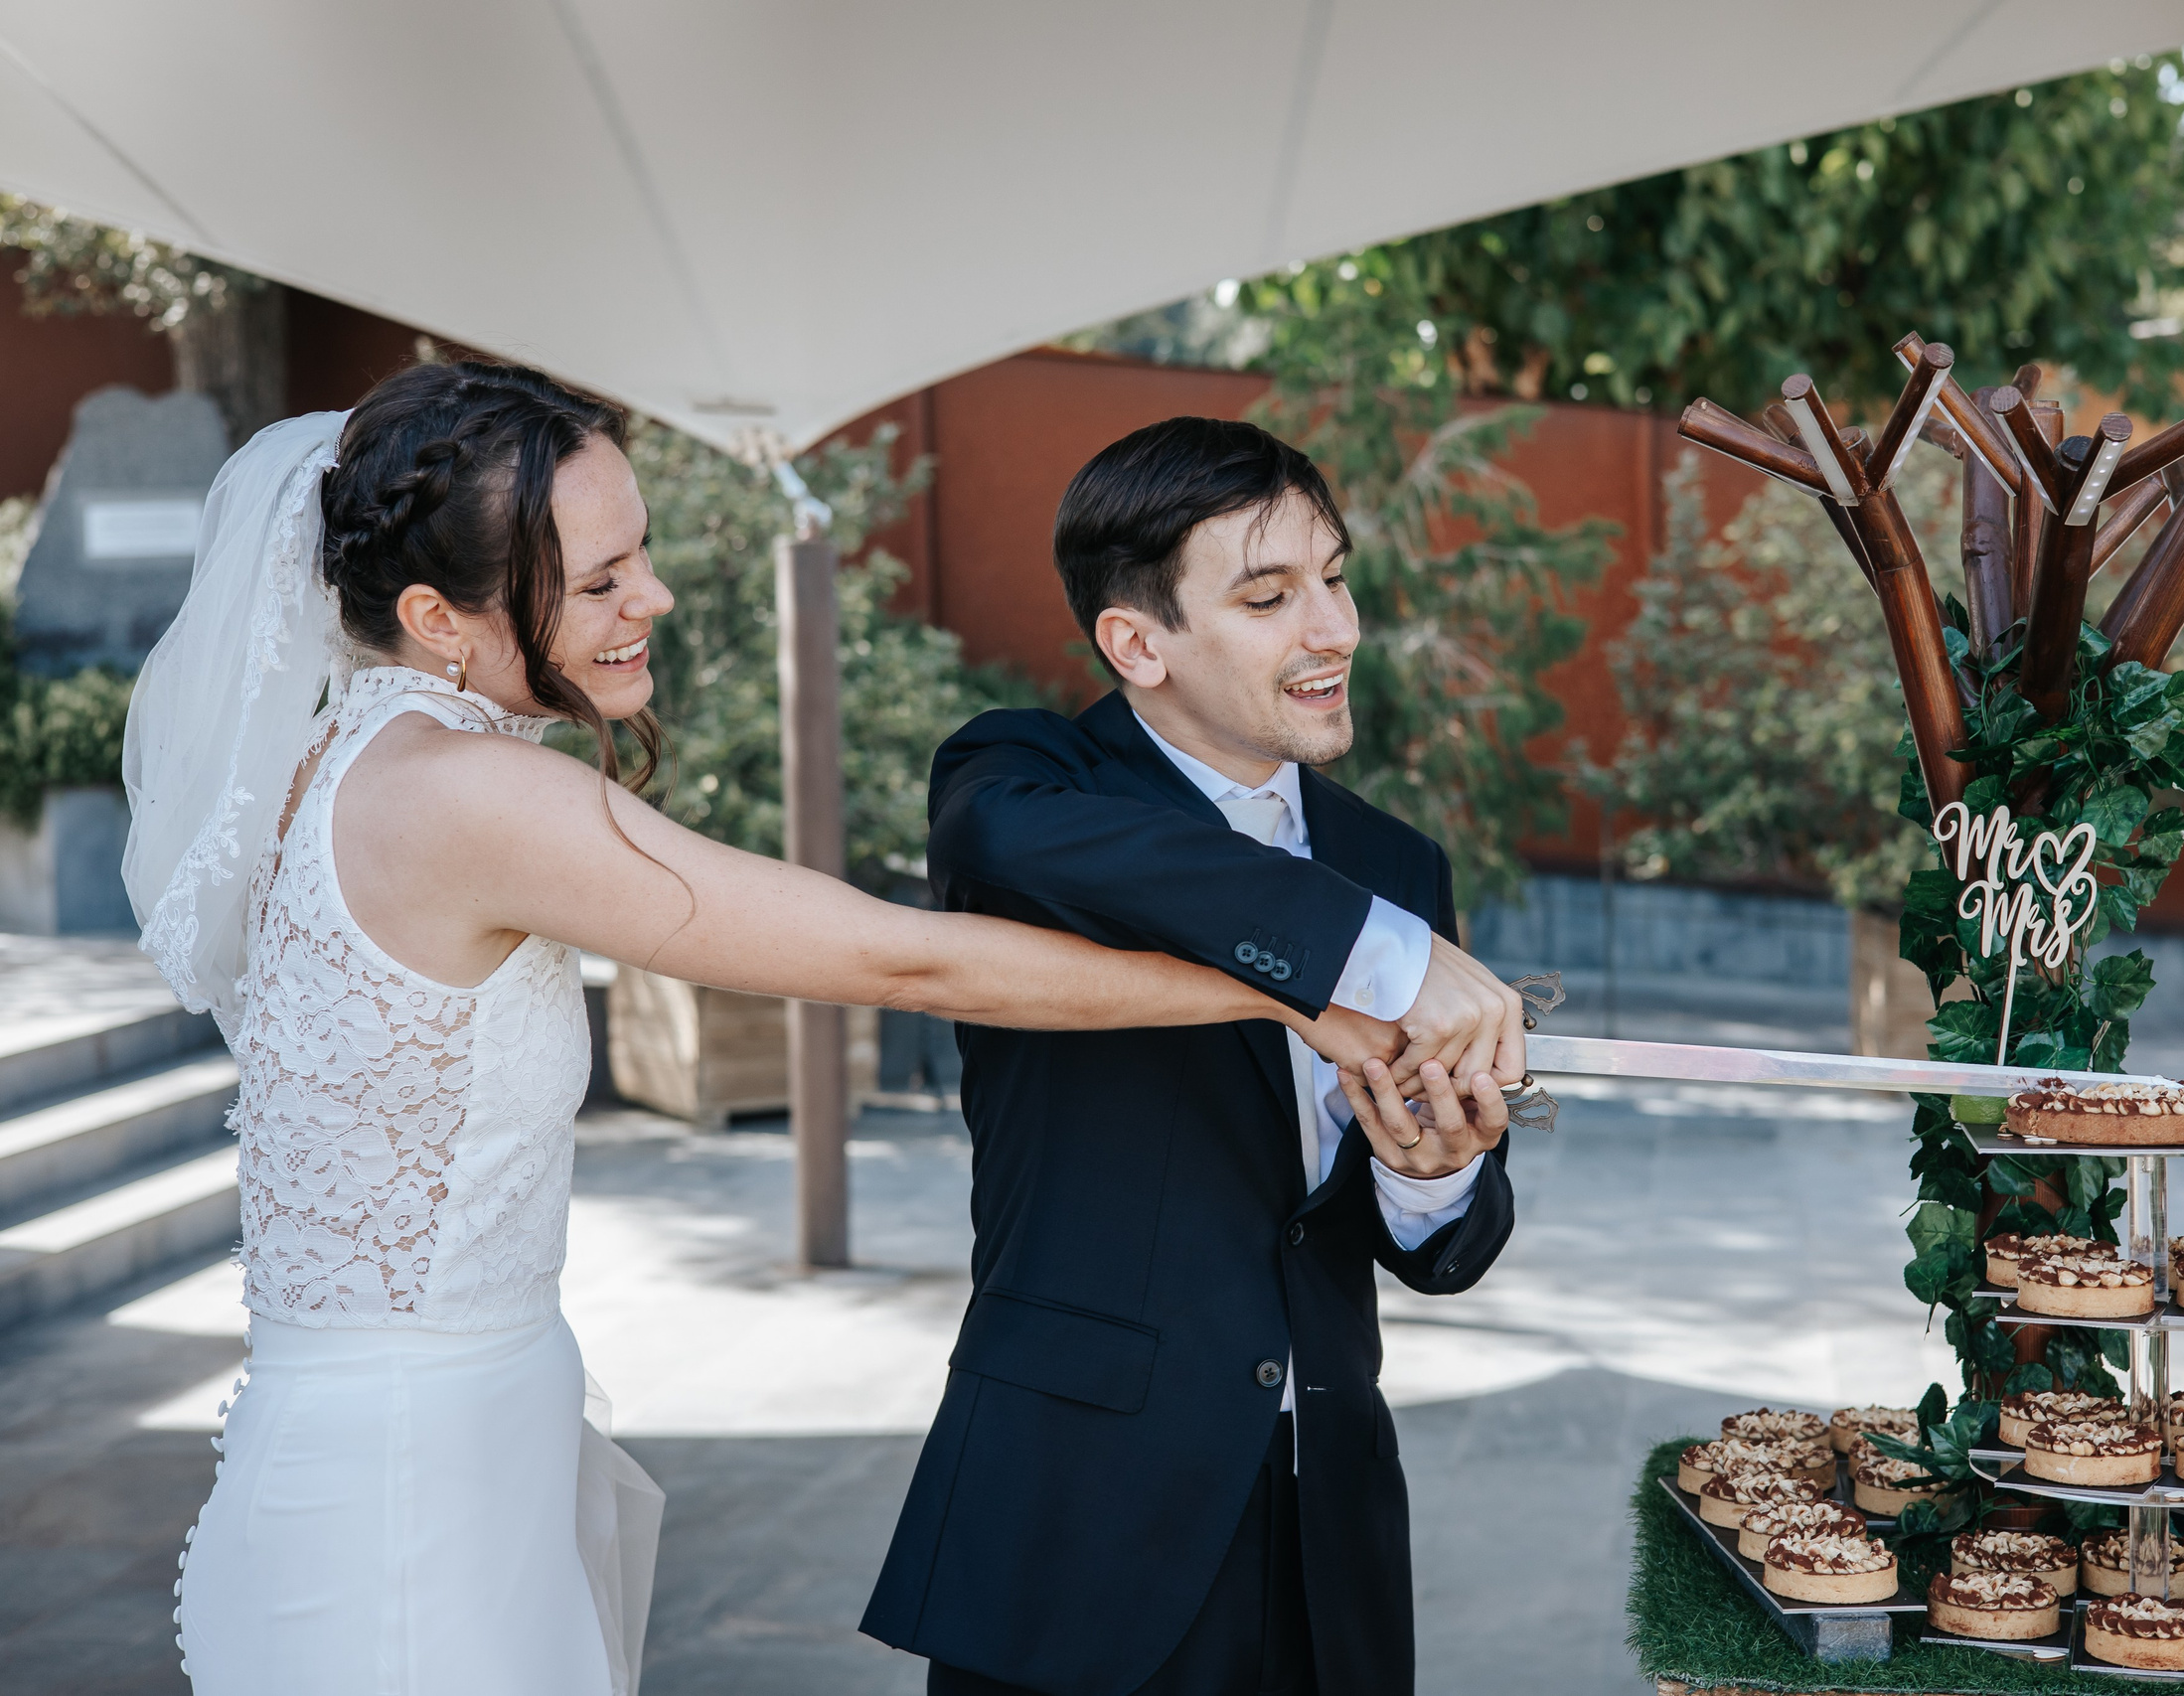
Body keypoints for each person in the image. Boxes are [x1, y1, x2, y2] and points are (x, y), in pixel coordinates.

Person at [125, 365, 1491, 1696]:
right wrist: (1307, 988)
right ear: (436, 614)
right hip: (410, 1478)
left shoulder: (352, 757)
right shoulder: (467, 794)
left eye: (638, 555)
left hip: (427, 1423)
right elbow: (899, 954)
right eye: (600, 582)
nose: (650, 597)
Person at [861, 416, 1529, 1696]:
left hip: (1326, 1532)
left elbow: (1440, 1246)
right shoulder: (1023, 786)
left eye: (1333, 577)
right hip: (1079, 1515)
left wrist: (1432, 1171)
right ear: (1137, 643)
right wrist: (1373, 956)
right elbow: (1043, 852)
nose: (1331, 629)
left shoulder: (1394, 865)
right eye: (1269, 596)